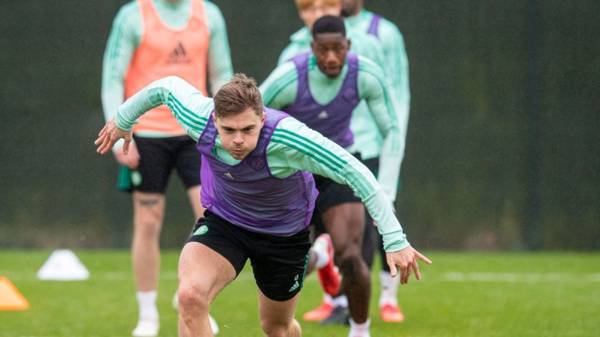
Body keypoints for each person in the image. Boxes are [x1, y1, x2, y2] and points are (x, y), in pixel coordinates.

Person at [94, 74, 431, 337]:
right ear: (214, 120)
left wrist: (395, 238)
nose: (238, 140)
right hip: (226, 223)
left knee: (277, 328)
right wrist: (123, 119)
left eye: (248, 129)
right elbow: (165, 87)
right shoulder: (197, 118)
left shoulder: (289, 138)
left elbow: (356, 172)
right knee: (190, 297)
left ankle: (307, 280)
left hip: (283, 237)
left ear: (262, 117)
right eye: (228, 130)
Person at [260, 15, 403, 333]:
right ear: (312, 48)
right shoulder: (289, 78)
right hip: (295, 172)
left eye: (337, 49)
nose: (331, 58)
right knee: (284, 265)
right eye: (323, 50)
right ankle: (319, 258)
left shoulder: (365, 74)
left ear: (348, 46)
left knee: (351, 255)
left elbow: (392, 130)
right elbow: (252, 119)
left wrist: (387, 190)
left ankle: (360, 330)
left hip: (339, 167)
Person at [100, 0, 232, 335]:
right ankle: (147, 315)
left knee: (210, 216)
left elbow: (221, 76)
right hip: (144, 134)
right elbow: (112, 77)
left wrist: (227, 128)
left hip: (195, 131)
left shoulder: (209, 14)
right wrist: (118, 134)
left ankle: (192, 298)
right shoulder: (133, 15)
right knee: (147, 219)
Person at [342, 0, 411, 323]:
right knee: (345, 227)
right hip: (337, 146)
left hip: (373, 143)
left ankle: (389, 295)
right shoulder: (318, 31)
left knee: (381, 217)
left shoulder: (384, 33)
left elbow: (399, 92)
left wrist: (394, 142)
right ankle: (342, 302)